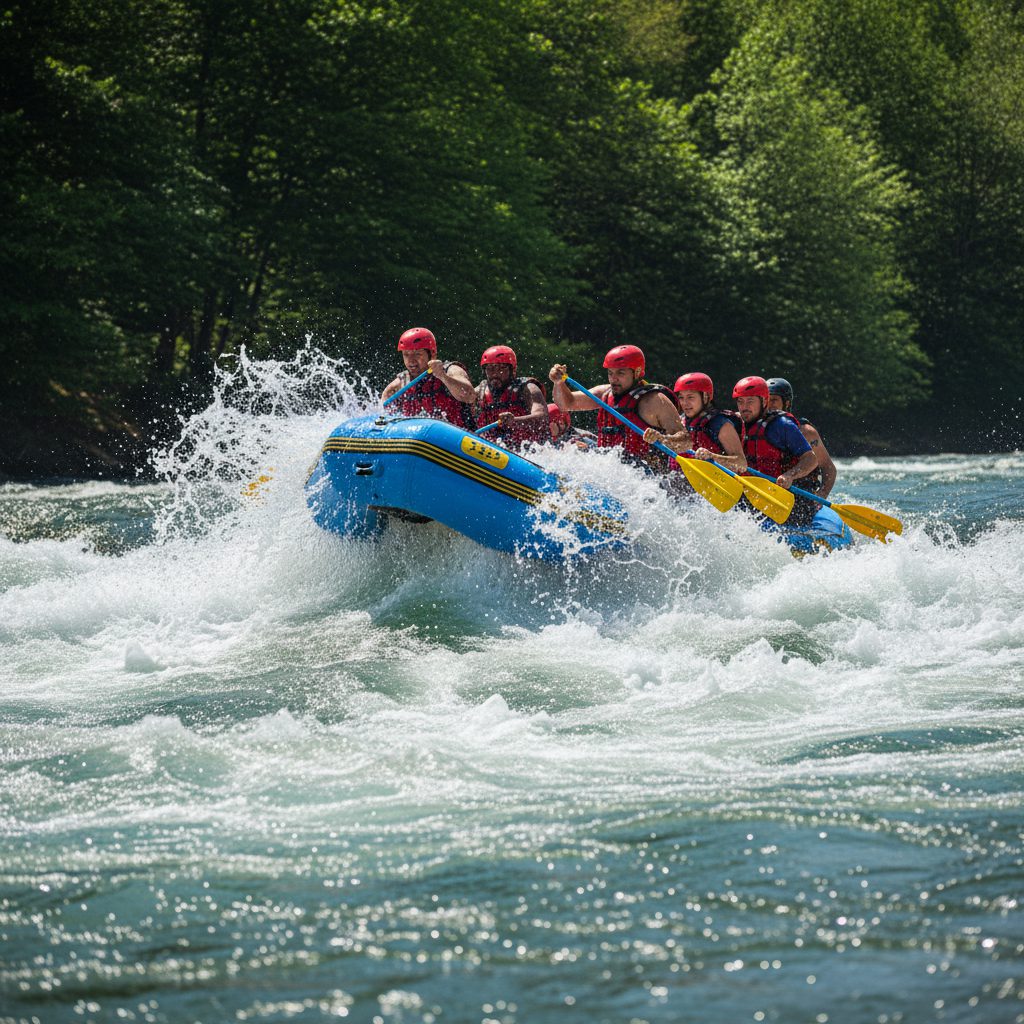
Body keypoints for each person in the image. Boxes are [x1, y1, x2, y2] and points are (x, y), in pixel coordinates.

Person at [549, 345, 688, 472]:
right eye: (610, 373)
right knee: (573, 447)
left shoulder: (654, 401)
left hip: (644, 478)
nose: (613, 379)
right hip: (608, 468)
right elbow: (567, 404)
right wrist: (558, 383)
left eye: (620, 373)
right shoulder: (605, 393)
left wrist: (662, 439)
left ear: (637, 372)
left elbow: (685, 441)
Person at [733, 375, 821, 525]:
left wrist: (790, 475)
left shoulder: (783, 425)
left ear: (764, 401)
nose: (744, 407)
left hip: (789, 498)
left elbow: (810, 459)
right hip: (754, 495)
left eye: (750, 401)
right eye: (740, 401)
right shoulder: (735, 424)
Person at [381, 327, 476, 428]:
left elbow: (470, 396)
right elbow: (383, 412)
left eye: (417, 354)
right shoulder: (400, 384)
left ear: (433, 354)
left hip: (458, 438)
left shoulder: (451, 370)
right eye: (406, 354)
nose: (411, 360)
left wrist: (443, 376)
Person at [766, 377, 837, 498]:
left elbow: (829, 468)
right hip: (772, 492)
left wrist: (822, 494)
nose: (769, 405)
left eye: (774, 400)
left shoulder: (805, 431)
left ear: (786, 403)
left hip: (802, 494)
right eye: (766, 400)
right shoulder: (758, 429)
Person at [475, 345, 548, 449]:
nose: (495, 373)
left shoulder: (528, 388)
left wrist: (514, 421)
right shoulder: (480, 392)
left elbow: (542, 417)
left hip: (527, 452)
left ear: (512, 370)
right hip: (492, 450)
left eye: (501, 368)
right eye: (490, 369)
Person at [673, 372, 746, 474]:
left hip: (715, 483)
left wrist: (712, 457)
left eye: (690, 397)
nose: (685, 403)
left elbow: (741, 463)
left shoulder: (721, 424)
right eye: (681, 397)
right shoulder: (681, 421)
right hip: (681, 483)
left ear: (706, 396)